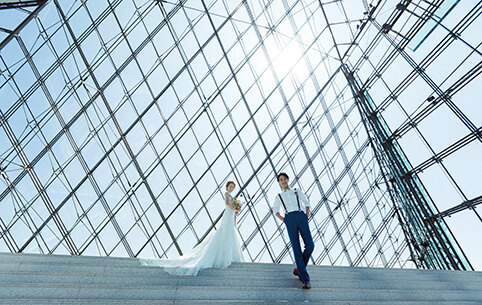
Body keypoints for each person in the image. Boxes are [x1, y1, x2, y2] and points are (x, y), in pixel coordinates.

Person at [140, 181, 244, 275]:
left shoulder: (232, 197)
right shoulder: (227, 194)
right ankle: (227, 257)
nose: (231, 188)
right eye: (230, 186)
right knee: (225, 232)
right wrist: (235, 208)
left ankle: (230, 256)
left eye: (233, 187)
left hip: (231, 215)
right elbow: (226, 203)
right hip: (228, 215)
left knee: (230, 233)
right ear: (227, 187)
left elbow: (231, 205)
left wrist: (235, 210)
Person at [272, 172, 314, 289]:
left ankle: (298, 269)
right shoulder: (278, 196)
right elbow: (275, 210)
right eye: (281, 180)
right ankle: (305, 279)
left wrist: (306, 214)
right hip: (289, 218)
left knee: (310, 246)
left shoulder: (296, 190)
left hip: (301, 216)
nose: (283, 181)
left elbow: (306, 201)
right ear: (279, 182)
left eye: (285, 179)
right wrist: (284, 220)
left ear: (288, 180)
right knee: (296, 248)